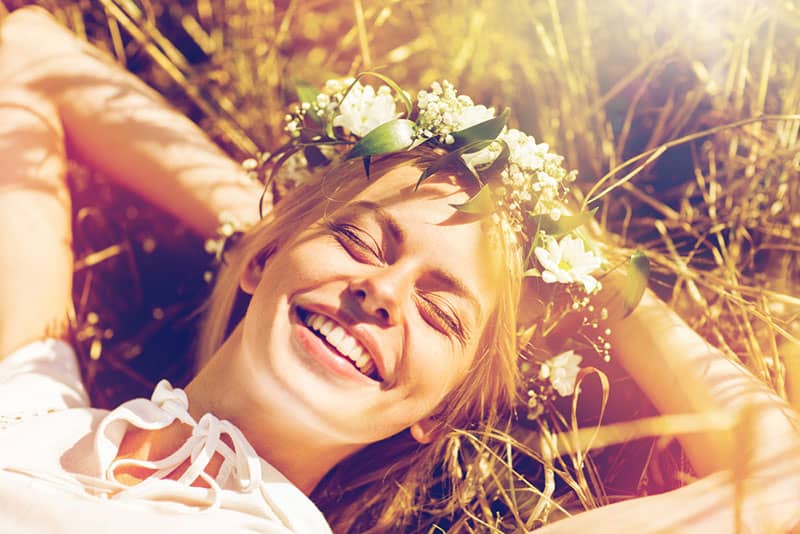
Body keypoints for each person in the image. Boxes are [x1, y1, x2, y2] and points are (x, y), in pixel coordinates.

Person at [0, 6, 798, 533]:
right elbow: (27, 55)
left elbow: (782, 486)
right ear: (262, 257)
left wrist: (593, 273)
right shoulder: (27, 399)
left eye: (442, 313)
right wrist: (276, 229)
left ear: (438, 417)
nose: (381, 293)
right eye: (362, 245)